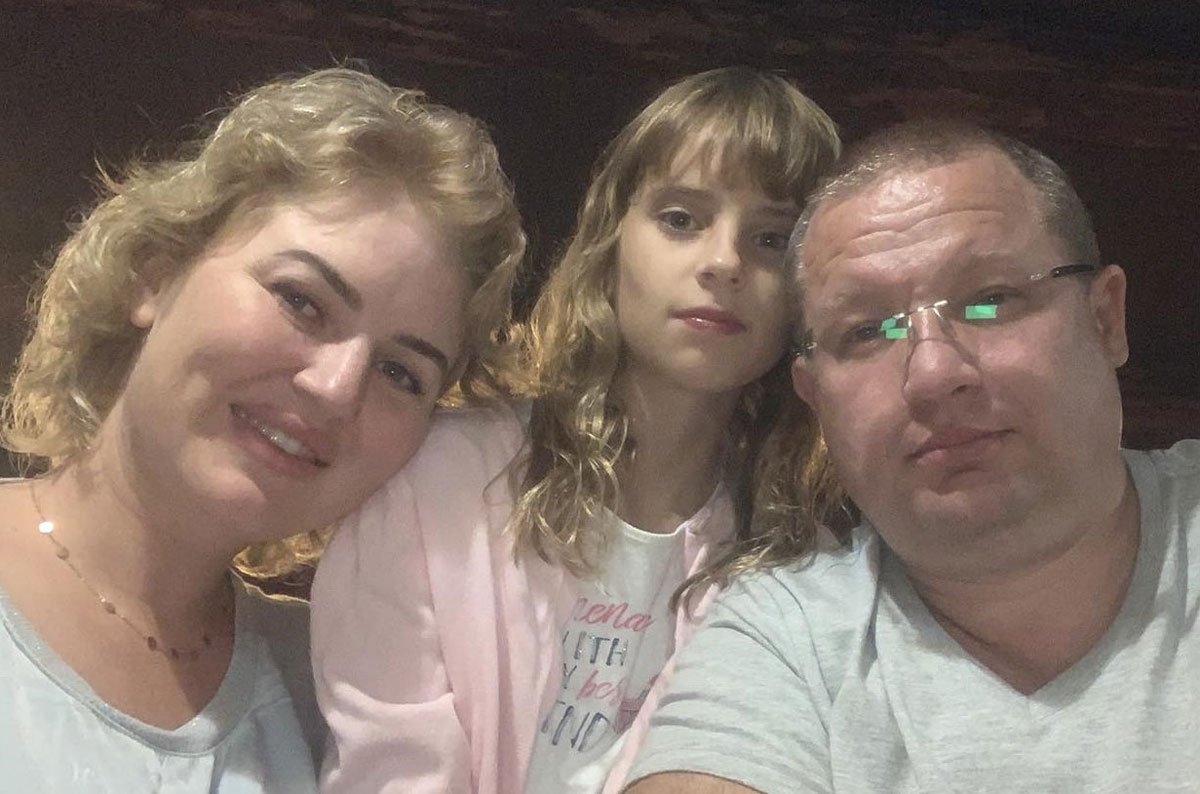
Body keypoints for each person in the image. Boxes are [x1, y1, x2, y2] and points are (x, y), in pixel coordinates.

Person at [624, 119, 1200, 793]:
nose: (931, 373)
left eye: (990, 300)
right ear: (815, 398)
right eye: (868, 330)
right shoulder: (784, 638)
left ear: (1105, 320)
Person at [311, 66, 841, 794]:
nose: (724, 262)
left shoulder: (805, 571)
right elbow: (389, 767)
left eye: (772, 239)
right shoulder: (439, 479)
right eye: (681, 219)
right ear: (612, 236)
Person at [0, 67, 524, 792]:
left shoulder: (349, 695)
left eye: (401, 373)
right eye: (302, 301)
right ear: (155, 274)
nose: (335, 389)